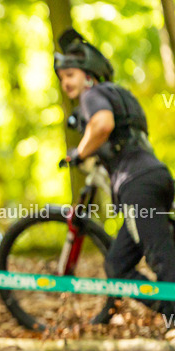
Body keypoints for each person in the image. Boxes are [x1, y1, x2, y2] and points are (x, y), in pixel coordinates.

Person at [54, 28, 175, 321]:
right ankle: (166, 309)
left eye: (70, 75)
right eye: (61, 78)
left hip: (136, 185)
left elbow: (102, 124)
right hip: (154, 176)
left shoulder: (92, 95)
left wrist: (79, 153)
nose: (65, 83)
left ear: (88, 75)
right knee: (117, 265)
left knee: (160, 256)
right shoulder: (118, 94)